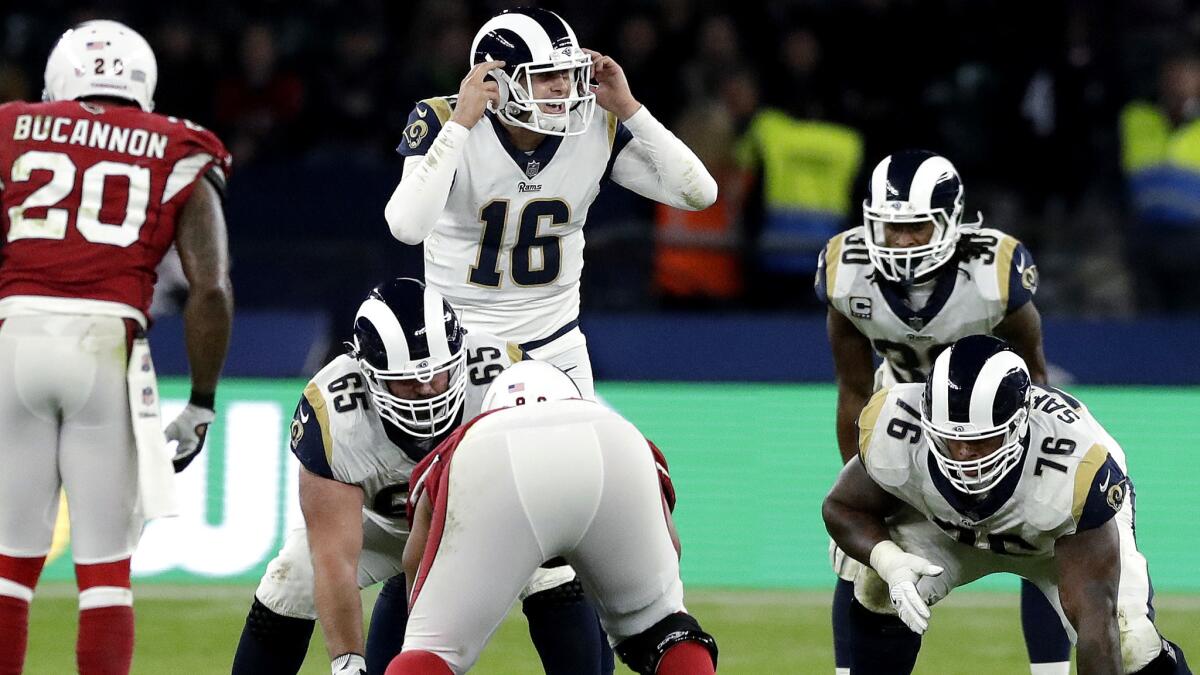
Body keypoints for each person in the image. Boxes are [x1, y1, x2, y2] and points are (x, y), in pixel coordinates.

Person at [0, 20, 233, 675]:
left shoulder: (13, 126)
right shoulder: (178, 144)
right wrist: (203, 401)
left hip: (15, 334)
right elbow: (209, 288)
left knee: (8, 566)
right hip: (105, 347)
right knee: (104, 570)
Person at [232, 278, 610, 675]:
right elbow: (334, 560)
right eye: (409, 380)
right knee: (291, 578)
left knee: (551, 565)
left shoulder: (507, 375)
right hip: (383, 526)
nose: (428, 389)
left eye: (439, 374)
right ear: (368, 373)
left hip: (489, 519)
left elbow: (552, 489)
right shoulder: (332, 412)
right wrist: (347, 664)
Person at [384, 7, 717, 398]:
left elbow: (698, 194)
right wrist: (459, 126)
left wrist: (630, 108)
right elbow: (406, 227)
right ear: (496, 82)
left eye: (567, 72)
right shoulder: (444, 120)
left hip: (556, 342)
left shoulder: (594, 125)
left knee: (577, 459)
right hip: (463, 342)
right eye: (545, 75)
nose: (562, 87)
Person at [815, 150, 1062, 674]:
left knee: (1046, 532)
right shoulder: (847, 272)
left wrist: (1025, 450)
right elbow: (854, 388)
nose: (902, 242)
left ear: (951, 221)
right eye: (891, 228)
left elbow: (1035, 379)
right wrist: (867, 483)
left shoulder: (993, 271)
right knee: (863, 555)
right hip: (900, 416)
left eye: (917, 227)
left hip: (995, 421)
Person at [822, 335, 1191, 675]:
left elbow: (1097, 624)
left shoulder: (1077, 470)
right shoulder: (895, 425)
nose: (964, 456)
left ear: (1018, 425)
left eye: (982, 442)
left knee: (1131, 645)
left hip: (1052, 545)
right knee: (877, 585)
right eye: (951, 440)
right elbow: (842, 506)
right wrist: (890, 560)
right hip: (946, 530)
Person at [388, 360, 718, 675]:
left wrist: (426, 633)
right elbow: (670, 547)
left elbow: (416, 556)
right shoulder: (617, 427)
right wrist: (641, 602)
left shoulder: (470, 437)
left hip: (491, 457)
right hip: (608, 442)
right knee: (662, 627)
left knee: (430, 652)